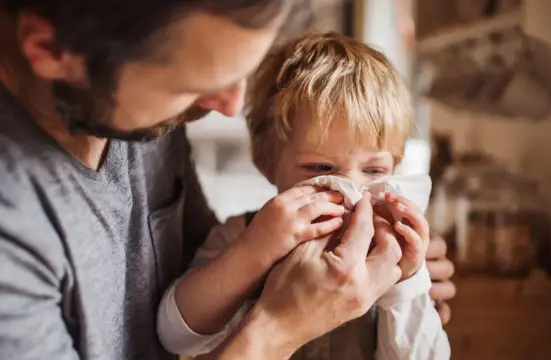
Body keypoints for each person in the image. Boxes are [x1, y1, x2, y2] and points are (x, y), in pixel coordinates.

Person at [0, 1, 455, 359]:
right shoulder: (14, 234)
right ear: (52, 51)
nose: (230, 108)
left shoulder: (138, 114)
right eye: (191, 83)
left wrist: (405, 289)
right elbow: (181, 326)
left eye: (237, 74)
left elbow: (194, 268)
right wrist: (279, 325)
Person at [156, 33, 451, 360]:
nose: (351, 190)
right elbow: (176, 337)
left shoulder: (390, 252)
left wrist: (405, 284)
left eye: (374, 171)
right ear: (268, 164)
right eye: (321, 167)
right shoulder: (242, 235)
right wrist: (255, 249)